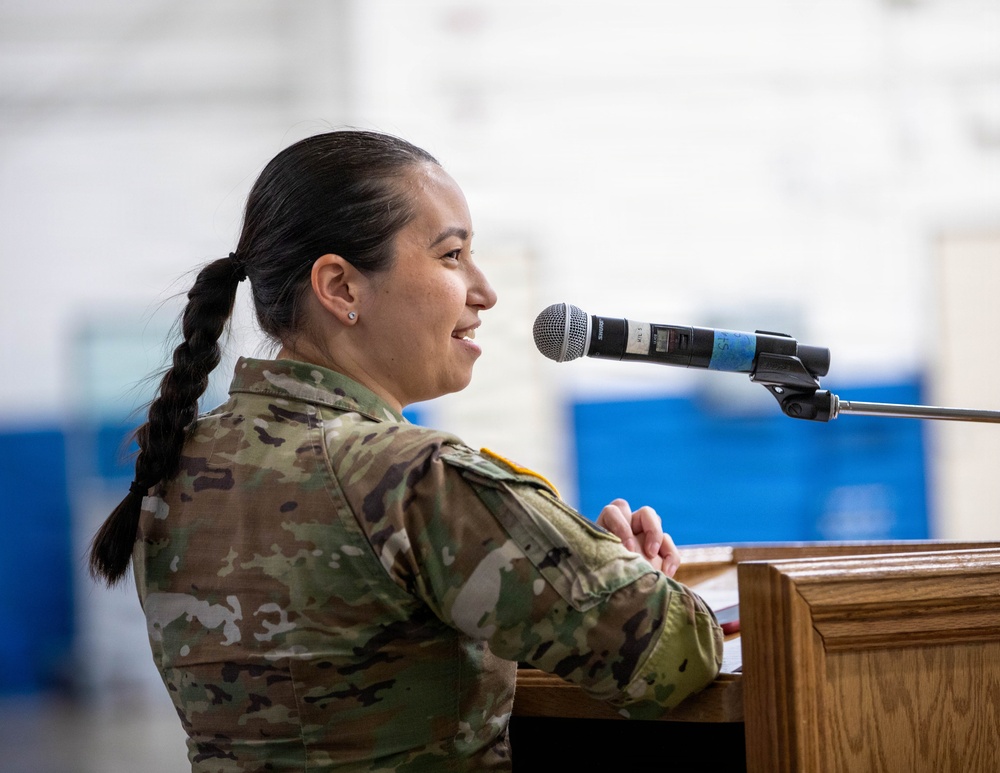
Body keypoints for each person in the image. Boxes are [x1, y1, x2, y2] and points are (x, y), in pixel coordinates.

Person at [90, 130, 723, 771]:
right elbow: (674, 651)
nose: (484, 290)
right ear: (340, 288)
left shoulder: (178, 465)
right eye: (452, 255)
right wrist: (632, 578)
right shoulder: (413, 479)